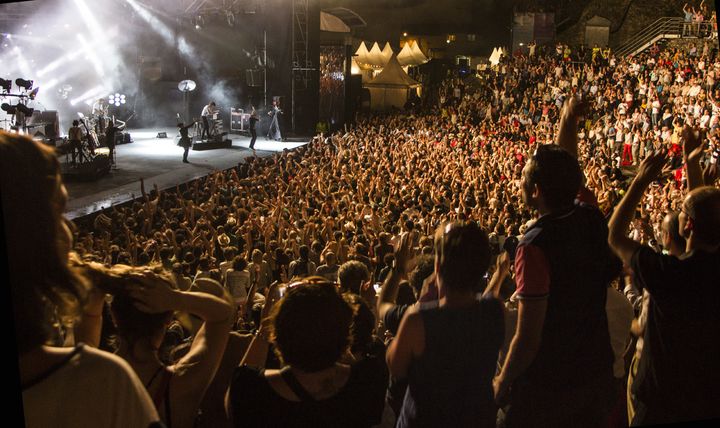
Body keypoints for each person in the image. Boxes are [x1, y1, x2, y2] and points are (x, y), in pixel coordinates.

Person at [1, 132, 160, 428]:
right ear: (26, 234)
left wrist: (87, 333)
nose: (71, 230)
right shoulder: (104, 381)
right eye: (59, 212)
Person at [494, 97, 620, 427]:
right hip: (596, 368)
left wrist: (502, 380)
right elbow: (569, 173)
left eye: (523, 176)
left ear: (535, 191)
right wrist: (568, 119)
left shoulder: (533, 246)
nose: (519, 180)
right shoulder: (590, 216)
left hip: (552, 383)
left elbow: (528, 335)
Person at [608, 127, 720, 426]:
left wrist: (640, 180)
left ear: (688, 227)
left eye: (681, 211)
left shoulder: (669, 274)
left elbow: (615, 234)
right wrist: (691, 165)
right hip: (706, 401)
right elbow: (701, 217)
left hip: (661, 403)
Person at [81, 266, 234, 428]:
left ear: (113, 314)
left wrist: (104, 285)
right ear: (169, 319)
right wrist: (175, 299)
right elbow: (223, 315)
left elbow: (90, 316)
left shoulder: (88, 371)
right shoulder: (181, 385)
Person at [386, 223, 505, 427]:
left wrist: (398, 270)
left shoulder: (418, 320)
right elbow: (486, 299)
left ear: (438, 267)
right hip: (476, 419)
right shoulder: (495, 309)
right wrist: (499, 275)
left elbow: (396, 367)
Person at [227, 277, 387, 427]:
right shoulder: (368, 381)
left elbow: (233, 405)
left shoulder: (249, 390)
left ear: (279, 332)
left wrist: (264, 327)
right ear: (344, 331)